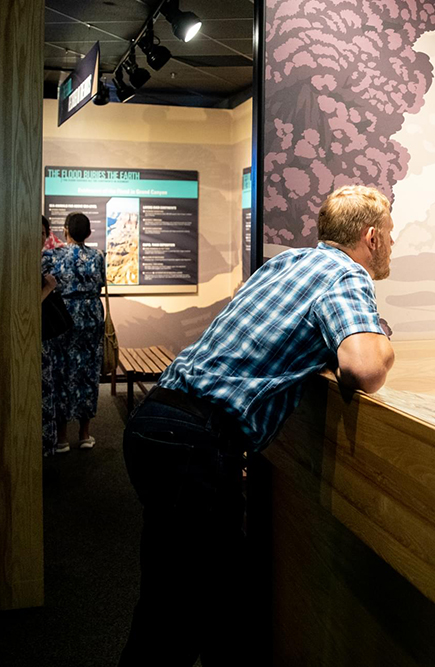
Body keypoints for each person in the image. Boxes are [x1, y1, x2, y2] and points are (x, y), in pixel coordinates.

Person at [119, 185, 396, 666]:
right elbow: (364, 367)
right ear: (371, 237)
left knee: (211, 605)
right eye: (391, 233)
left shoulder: (284, 265)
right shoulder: (346, 274)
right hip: (196, 444)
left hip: (158, 421)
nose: (394, 243)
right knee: (178, 620)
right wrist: (384, 343)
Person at [42, 212, 106, 452]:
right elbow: (100, 284)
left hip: (63, 317)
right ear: (89, 233)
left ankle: (61, 438)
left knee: (60, 373)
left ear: (65, 230)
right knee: (87, 373)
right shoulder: (99, 256)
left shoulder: (51, 255)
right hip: (91, 316)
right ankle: (85, 434)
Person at [41, 217, 60, 457]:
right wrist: (47, 289)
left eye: (43, 232)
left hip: (43, 339)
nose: (40, 237)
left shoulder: (42, 261)